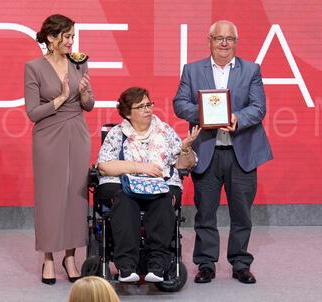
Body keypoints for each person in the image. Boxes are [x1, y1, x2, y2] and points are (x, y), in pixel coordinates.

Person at [173, 20, 273, 284]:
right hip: (207, 152)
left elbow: (259, 107)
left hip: (242, 152)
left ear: (236, 42)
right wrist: (204, 114)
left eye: (230, 39)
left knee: (241, 212)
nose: (224, 43)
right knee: (205, 212)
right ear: (210, 40)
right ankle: (206, 264)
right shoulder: (192, 70)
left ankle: (240, 263)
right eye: (219, 38)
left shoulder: (251, 69)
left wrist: (236, 117)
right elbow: (180, 104)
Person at [96, 87, 200, 283]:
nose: (148, 109)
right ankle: (126, 266)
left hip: (159, 185)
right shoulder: (117, 134)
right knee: (124, 200)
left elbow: (185, 165)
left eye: (149, 104)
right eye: (142, 106)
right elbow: (104, 166)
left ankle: (157, 265)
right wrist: (140, 167)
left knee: (163, 200)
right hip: (123, 185)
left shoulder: (165, 131)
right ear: (128, 113)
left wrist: (185, 149)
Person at [24, 14, 95, 285]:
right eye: (66, 36)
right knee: (50, 198)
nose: (71, 41)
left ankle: (70, 257)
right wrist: (62, 98)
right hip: (48, 136)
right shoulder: (33, 67)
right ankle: (49, 258)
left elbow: (89, 105)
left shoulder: (80, 62)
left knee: (75, 197)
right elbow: (33, 112)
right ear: (51, 38)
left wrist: (85, 94)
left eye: (73, 36)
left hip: (77, 133)